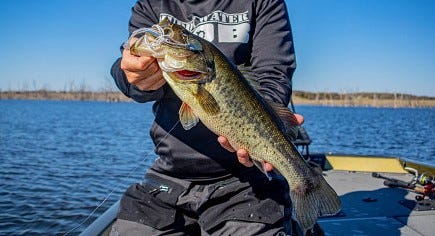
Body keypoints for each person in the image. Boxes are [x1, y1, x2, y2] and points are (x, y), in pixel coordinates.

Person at [109, 0, 306, 235]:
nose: (167, 33)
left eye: (178, 38)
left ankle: (305, 186)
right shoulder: (151, 5)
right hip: (169, 175)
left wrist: (263, 131)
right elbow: (130, 70)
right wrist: (130, 74)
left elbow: (273, 75)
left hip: (247, 181)